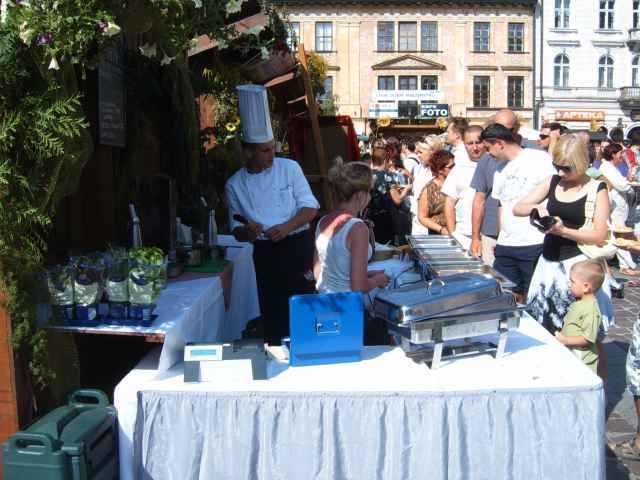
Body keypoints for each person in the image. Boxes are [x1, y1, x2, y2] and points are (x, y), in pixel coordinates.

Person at [513, 134, 614, 379]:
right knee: (546, 325)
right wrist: (537, 210)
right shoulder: (553, 181)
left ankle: (593, 386)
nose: (561, 171)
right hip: (549, 265)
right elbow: (518, 207)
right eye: (557, 165)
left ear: (580, 163)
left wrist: (563, 230)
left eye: (566, 167)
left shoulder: (596, 188)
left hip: (578, 267)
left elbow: (599, 234)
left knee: (584, 333)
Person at [225, 85, 319, 345]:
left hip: (297, 246)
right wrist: (248, 232)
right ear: (248, 152)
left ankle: (310, 350)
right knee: (272, 309)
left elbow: (310, 208)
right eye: (265, 150)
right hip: (263, 255)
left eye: (272, 148)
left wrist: (288, 226)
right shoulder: (235, 184)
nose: (272, 155)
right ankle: (276, 353)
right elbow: (236, 228)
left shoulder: (289, 168)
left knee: (303, 305)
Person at [482, 123, 555, 304]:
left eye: (488, 147)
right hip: (507, 245)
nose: (487, 153)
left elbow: (551, 187)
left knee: (534, 297)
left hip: (534, 242)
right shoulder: (499, 169)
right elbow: (501, 206)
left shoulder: (538, 158)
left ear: (499, 143)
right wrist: (500, 238)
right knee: (504, 296)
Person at [314, 160, 390, 293]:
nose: (370, 197)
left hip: (324, 302)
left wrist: (366, 275)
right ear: (360, 196)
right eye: (369, 191)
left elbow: (319, 272)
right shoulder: (358, 228)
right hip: (347, 307)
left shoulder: (322, 221)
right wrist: (379, 280)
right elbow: (358, 288)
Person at [555, 259, 604, 374]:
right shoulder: (579, 302)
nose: (569, 285)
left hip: (582, 361)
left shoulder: (591, 310)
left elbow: (588, 339)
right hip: (573, 356)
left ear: (586, 287)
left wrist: (565, 340)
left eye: (572, 282)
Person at [442, 125, 485, 251]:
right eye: (470, 143)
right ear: (464, 144)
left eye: (478, 142)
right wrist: (453, 233)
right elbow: (449, 202)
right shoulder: (459, 169)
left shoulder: (495, 166)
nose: (475, 147)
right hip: (463, 235)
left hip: (487, 236)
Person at [411, 135, 444, 235]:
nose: (417, 155)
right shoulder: (418, 169)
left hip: (434, 221)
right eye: (417, 152)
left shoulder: (442, 171)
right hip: (417, 219)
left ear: (432, 152)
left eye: (420, 152)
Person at [417, 150, 455, 235]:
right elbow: (422, 217)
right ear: (440, 170)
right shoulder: (429, 190)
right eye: (451, 167)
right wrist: (441, 229)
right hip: (440, 235)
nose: (454, 169)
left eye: (455, 165)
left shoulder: (458, 183)